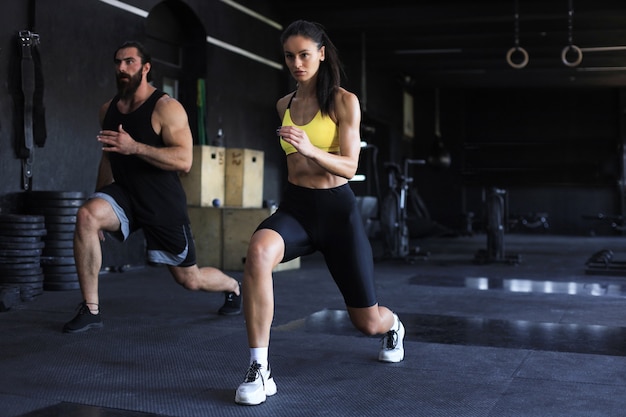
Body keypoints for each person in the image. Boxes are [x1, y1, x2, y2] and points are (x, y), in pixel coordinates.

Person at [234, 20, 405, 406]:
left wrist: (311, 149)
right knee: (259, 251)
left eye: (304, 55)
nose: (297, 63)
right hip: (297, 208)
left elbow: (349, 166)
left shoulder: (345, 101)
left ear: (321, 53)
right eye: (290, 56)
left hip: (338, 213)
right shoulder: (284, 105)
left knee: (367, 322)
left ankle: (393, 325)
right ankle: (259, 369)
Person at [63, 41, 241, 334]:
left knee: (190, 279)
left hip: (162, 202)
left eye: (129, 62)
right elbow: (107, 158)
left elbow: (184, 161)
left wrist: (134, 147)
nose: (122, 68)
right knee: (86, 215)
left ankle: (233, 285)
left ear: (145, 68)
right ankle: (91, 309)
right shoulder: (107, 110)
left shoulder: (166, 108)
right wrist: (98, 202)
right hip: (126, 195)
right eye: (118, 62)